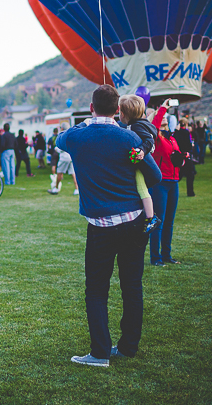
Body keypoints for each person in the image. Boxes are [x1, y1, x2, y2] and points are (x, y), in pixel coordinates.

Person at [56, 85, 161, 367]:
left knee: (97, 289)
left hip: (101, 225)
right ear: (118, 110)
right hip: (133, 221)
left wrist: (87, 124)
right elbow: (155, 174)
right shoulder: (129, 138)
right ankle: (128, 347)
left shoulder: (78, 136)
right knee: (131, 285)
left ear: (91, 108)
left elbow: (59, 140)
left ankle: (100, 352)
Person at [116, 95, 160, 233]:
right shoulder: (143, 123)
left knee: (142, 189)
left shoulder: (135, 126)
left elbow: (149, 140)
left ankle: (150, 217)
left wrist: (142, 150)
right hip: (142, 160)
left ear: (123, 113)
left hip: (140, 164)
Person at [147, 103, 183, 266]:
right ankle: (155, 258)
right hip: (160, 183)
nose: (165, 126)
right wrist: (162, 109)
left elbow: (174, 156)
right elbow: (154, 126)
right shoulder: (156, 138)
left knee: (169, 221)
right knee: (158, 221)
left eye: (166, 123)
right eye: (162, 124)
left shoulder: (172, 138)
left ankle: (167, 255)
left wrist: (182, 158)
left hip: (173, 182)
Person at [48, 122, 79, 195]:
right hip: (71, 156)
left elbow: (61, 147)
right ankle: (76, 189)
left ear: (62, 128)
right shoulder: (72, 135)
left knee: (59, 173)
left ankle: (55, 188)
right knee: (73, 173)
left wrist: (56, 149)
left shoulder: (62, 135)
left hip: (64, 157)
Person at [174, 118, 197, 196]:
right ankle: (190, 191)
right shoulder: (186, 132)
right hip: (185, 155)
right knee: (190, 174)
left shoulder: (176, 132)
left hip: (178, 155)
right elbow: (188, 145)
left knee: (179, 174)